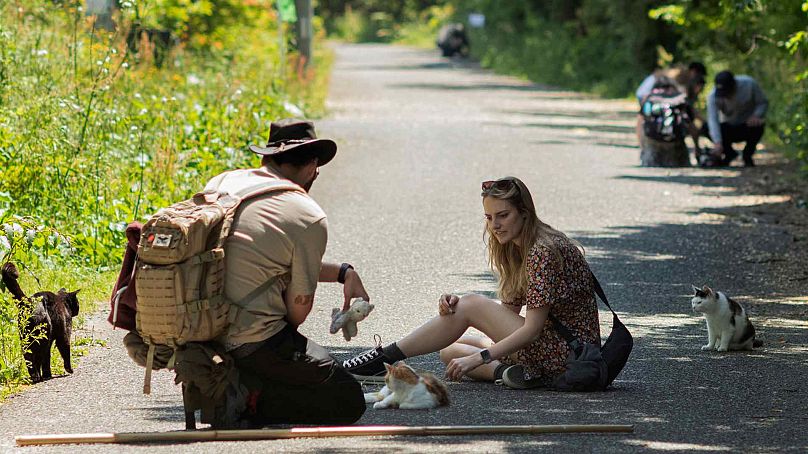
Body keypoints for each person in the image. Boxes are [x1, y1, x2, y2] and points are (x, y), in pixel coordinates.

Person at [343, 177, 600, 389]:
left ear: (524, 213)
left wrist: (479, 354)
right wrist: (457, 310)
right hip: (554, 350)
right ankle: (508, 372)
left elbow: (531, 330)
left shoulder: (542, 251)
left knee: (472, 311)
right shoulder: (518, 246)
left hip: (571, 357)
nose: (495, 225)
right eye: (488, 217)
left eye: (503, 215)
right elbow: (507, 314)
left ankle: (382, 360)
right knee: (451, 352)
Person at [204, 118, 370, 425]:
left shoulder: (222, 182)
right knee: (346, 397)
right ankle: (243, 396)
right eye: (316, 171)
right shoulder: (307, 214)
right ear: (310, 168)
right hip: (250, 341)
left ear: (265, 158)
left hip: (200, 325)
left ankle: (226, 375)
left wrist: (343, 272)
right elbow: (297, 311)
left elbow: (264, 258)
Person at [635, 62, 707, 153]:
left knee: (646, 115)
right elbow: (684, 104)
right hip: (647, 90)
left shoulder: (680, 76)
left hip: (650, 90)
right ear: (694, 71)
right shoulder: (680, 76)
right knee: (645, 115)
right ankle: (643, 145)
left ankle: (646, 146)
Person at [706, 70, 768, 167]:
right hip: (728, 127)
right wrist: (717, 142)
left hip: (747, 125)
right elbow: (713, 119)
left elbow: (762, 102)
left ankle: (747, 155)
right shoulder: (713, 96)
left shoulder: (749, 84)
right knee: (705, 127)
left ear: (734, 85)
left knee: (759, 125)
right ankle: (729, 153)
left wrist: (756, 115)